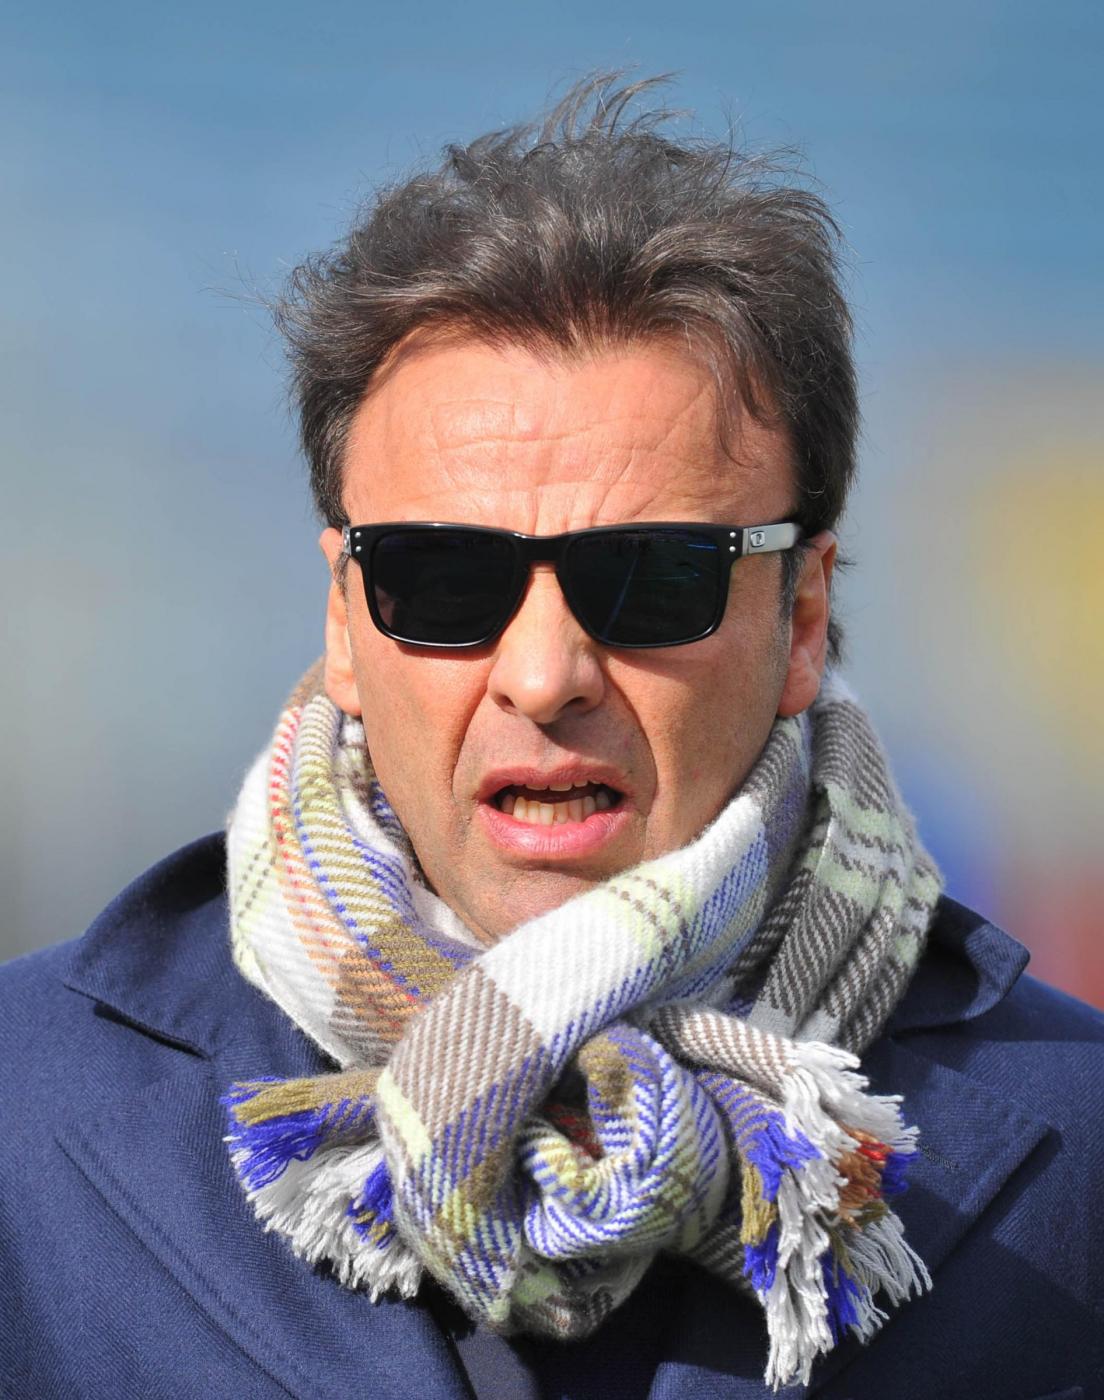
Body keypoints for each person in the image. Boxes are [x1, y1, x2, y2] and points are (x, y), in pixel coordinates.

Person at [2, 77, 1101, 1400]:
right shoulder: (25, 1117)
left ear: (803, 617)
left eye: (652, 577)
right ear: (345, 620)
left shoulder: (1078, 1151)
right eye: (442, 579)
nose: (543, 675)